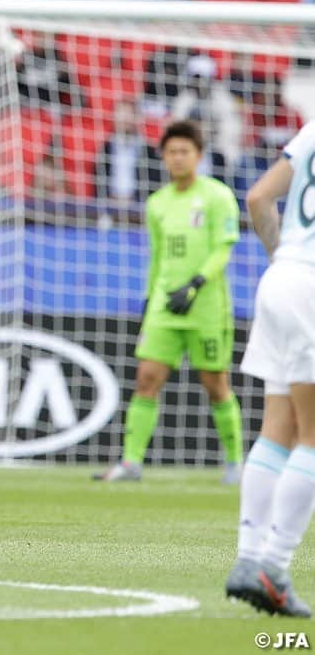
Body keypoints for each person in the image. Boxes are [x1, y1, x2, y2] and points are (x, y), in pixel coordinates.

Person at [93, 120, 243, 484]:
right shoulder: (157, 203)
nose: (178, 158)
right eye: (172, 152)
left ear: (198, 156)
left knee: (215, 383)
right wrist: (149, 300)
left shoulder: (218, 196)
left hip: (206, 305)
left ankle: (237, 464)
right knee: (146, 378)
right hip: (164, 305)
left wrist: (195, 284)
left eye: (184, 152)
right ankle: (131, 463)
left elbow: (224, 249)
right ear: (163, 157)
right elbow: (157, 257)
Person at [223, 120, 315, 618]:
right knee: (314, 435)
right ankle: (274, 568)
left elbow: (259, 197)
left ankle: (248, 559)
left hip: (280, 279)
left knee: (278, 429)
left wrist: (285, 261)